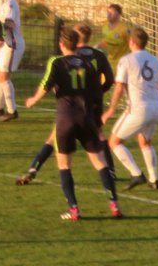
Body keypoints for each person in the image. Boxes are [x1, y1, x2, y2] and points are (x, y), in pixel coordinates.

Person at [24, 28, 122, 221]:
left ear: (61, 44)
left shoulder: (57, 62)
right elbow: (97, 92)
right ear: (77, 44)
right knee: (100, 163)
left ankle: (74, 209)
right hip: (86, 117)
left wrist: (33, 100)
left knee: (64, 165)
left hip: (65, 119)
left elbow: (46, 84)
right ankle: (114, 205)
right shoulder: (89, 64)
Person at [16, 23, 115, 186]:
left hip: (71, 106)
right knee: (98, 135)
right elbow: (109, 80)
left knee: (56, 138)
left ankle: (34, 168)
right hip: (93, 102)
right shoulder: (98, 55)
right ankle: (110, 171)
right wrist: (99, 93)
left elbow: (53, 81)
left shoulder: (72, 59)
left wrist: (36, 98)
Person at [103, 28, 158, 191]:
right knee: (145, 142)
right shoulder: (155, 60)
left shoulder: (126, 60)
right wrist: (153, 94)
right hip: (156, 106)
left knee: (114, 142)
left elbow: (119, 88)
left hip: (139, 108)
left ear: (131, 42)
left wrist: (110, 110)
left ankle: (136, 174)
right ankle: (154, 179)